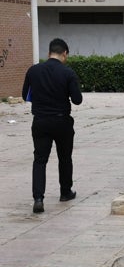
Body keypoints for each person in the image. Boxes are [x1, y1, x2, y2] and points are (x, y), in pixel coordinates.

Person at [22, 38, 83, 213]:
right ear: (64, 54)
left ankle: (38, 198)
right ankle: (65, 192)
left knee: (40, 159)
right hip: (62, 121)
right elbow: (77, 100)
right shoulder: (67, 72)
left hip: (40, 121)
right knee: (65, 158)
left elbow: (25, 94)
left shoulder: (33, 71)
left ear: (49, 53)